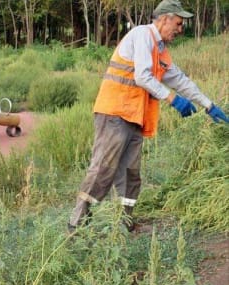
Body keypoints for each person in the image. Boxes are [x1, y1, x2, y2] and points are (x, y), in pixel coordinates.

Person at [68, 0, 229, 233]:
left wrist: (209, 105)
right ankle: (76, 225)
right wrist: (172, 99)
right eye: (178, 23)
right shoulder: (142, 35)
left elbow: (180, 80)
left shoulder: (161, 50)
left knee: (131, 174)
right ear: (164, 18)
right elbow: (142, 76)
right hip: (114, 113)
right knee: (103, 169)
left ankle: (124, 222)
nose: (180, 29)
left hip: (134, 118)